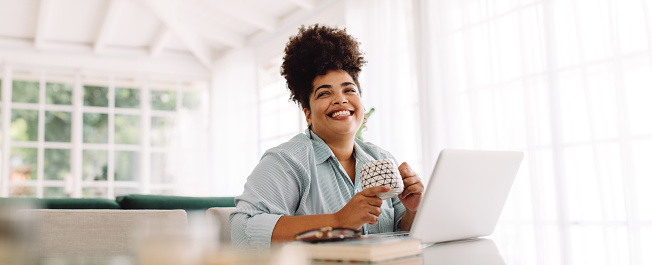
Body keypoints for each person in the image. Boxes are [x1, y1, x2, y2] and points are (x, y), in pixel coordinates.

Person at [229, 24, 424, 249]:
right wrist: (336, 221)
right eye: (324, 93)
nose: (341, 99)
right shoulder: (287, 161)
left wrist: (413, 210)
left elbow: (403, 234)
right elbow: (242, 230)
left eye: (349, 90)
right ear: (308, 114)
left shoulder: (381, 158)